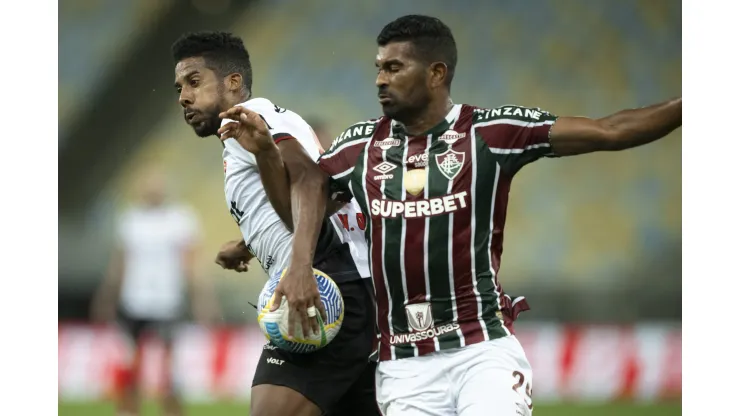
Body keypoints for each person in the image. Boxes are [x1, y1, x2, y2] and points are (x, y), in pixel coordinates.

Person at [222, 14, 682, 416]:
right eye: (378, 68)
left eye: (394, 68)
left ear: (437, 72)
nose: (380, 79)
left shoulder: (491, 133)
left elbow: (610, 130)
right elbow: (307, 199)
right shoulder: (360, 148)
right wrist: (265, 158)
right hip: (403, 366)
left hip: (480, 351)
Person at [170, 31, 378, 416]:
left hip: (325, 283)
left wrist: (300, 267)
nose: (183, 96)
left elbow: (311, 182)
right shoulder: (247, 132)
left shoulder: (253, 118)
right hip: (346, 284)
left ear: (233, 82)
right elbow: (316, 199)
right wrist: (248, 242)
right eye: (180, 86)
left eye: (194, 81)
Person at [91, 167, 218, 416]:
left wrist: (203, 300)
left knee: (170, 369)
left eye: (157, 185)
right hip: (134, 301)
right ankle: (129, 411)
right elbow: (119, 264)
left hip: (167, 302)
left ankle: (172, 412)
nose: (153, 190)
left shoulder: (181, 219)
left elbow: (192, 265)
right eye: (149, 185)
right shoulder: (130, 220)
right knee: (131, 365)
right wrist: (106, 297)